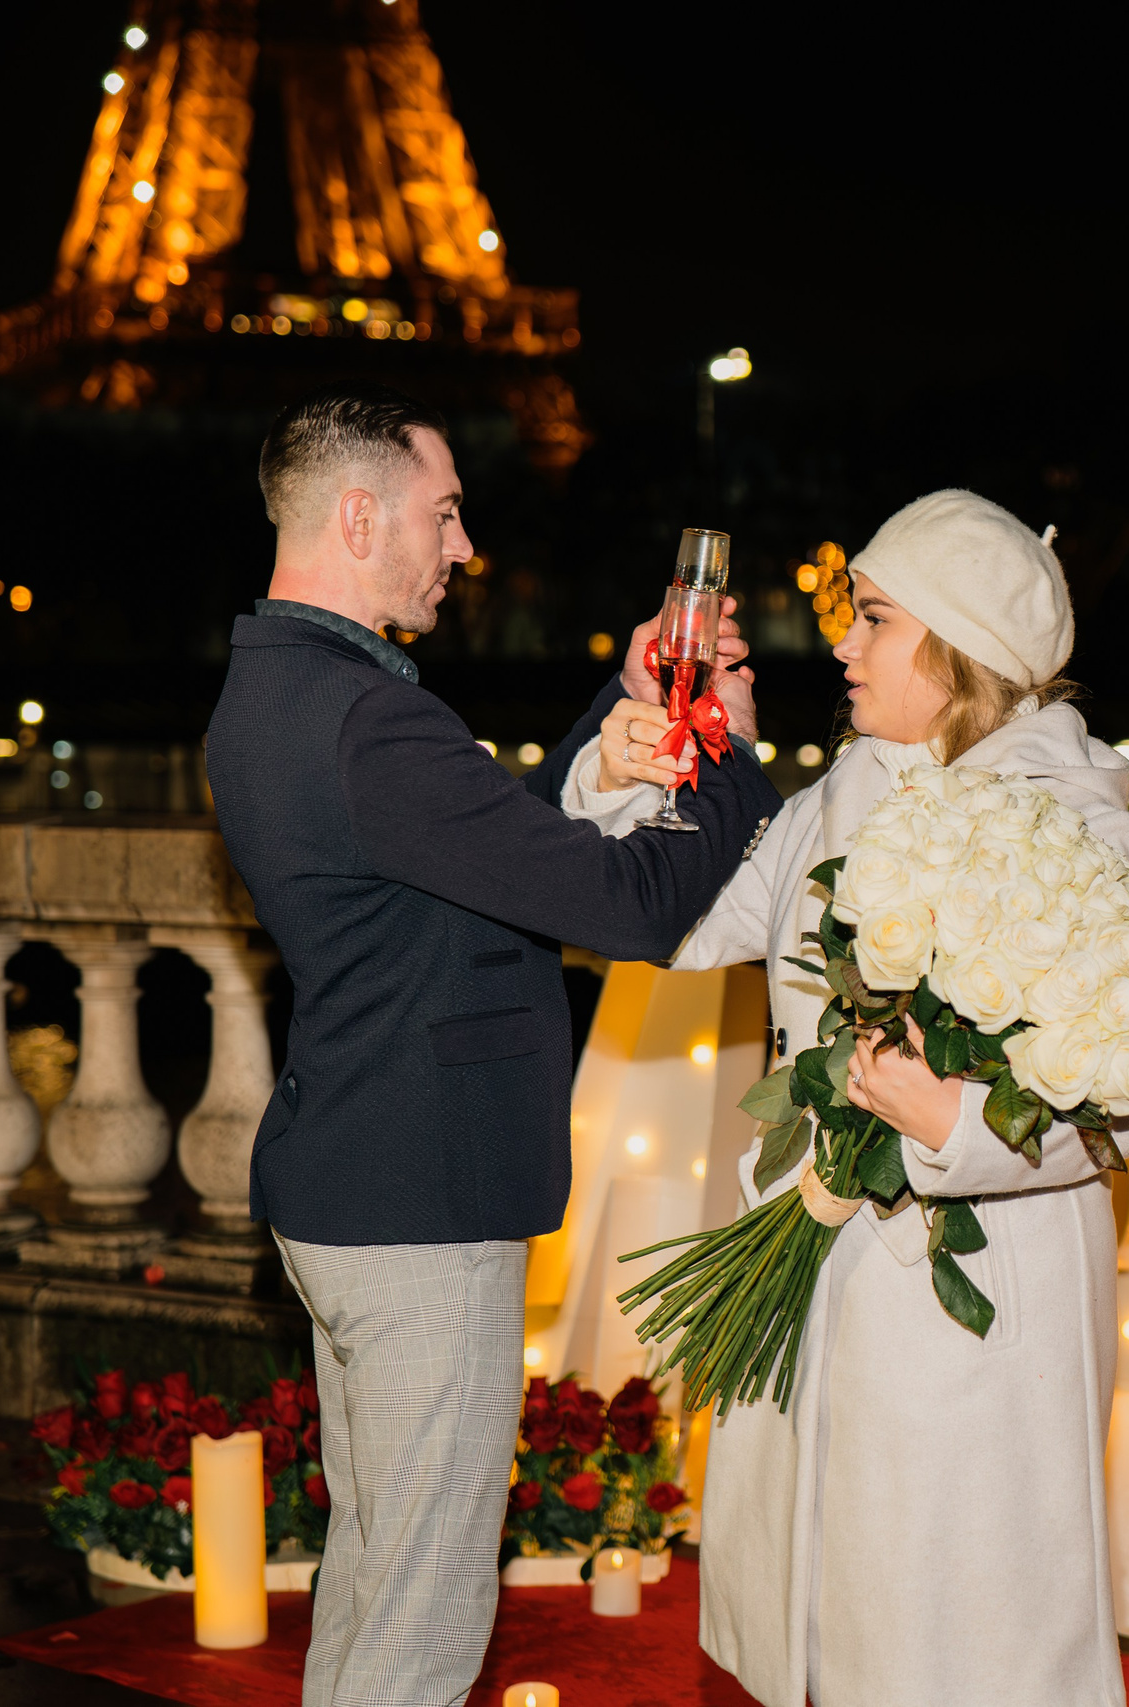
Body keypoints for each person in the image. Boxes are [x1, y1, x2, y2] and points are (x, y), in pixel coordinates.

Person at [203, 384, 782, 1707]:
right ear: (360, 515)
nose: (464, 548)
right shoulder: (371, 719)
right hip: (423, 1198)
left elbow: (481, 847)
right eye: (445, 513)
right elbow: (620, 903)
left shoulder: (273, 693)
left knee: (374, 1578)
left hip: (346, 1175)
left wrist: (619, 701)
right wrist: (731, 756)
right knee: (419, 1613)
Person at [565, 489, 1129, 1707]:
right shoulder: (842, 791)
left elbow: (1122, 1097)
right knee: (815, 1629)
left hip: (978, 1291)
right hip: (815, 1260)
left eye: (872, 618)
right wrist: (660, 761)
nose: (838, 644)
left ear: (960, 644)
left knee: (957, 1637)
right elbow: (675, 924)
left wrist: (956, 1130)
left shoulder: (1076, 820)